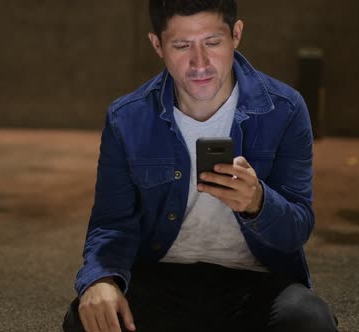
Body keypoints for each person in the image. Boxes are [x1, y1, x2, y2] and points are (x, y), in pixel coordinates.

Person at [62, 1, 337, 331]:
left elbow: (297, 228)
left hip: (256, 283)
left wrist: (257, 203)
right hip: (161, 276)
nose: (200, 63)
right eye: (181, 46)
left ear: (236, 35)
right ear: (157, 45)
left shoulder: (285, 109)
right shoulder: (127, 117)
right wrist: (102, 279)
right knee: (87, 318)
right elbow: (112, 222)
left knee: (310, 322)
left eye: (212, 42)